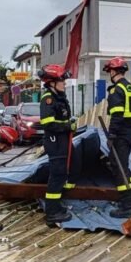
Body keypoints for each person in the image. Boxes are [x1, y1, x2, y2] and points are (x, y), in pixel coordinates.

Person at [103, 57, 131, 218]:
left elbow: (117, 115)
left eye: (110, 72)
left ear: (113, 72)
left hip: (120, 135)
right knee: (124, 166)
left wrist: (112, 134)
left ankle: (127, 206)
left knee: (118, 167)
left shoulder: (116, 90)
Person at [38, 64, 76, 224]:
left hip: (62, 141)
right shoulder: (48, 99)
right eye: (62, 80)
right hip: (55, 142)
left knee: (61, 175)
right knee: (57, 175)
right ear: (52, 82)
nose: (65, 83)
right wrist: (68, 126)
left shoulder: (59, 97)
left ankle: (56, 206)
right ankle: (52, 213)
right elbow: (48, 123)